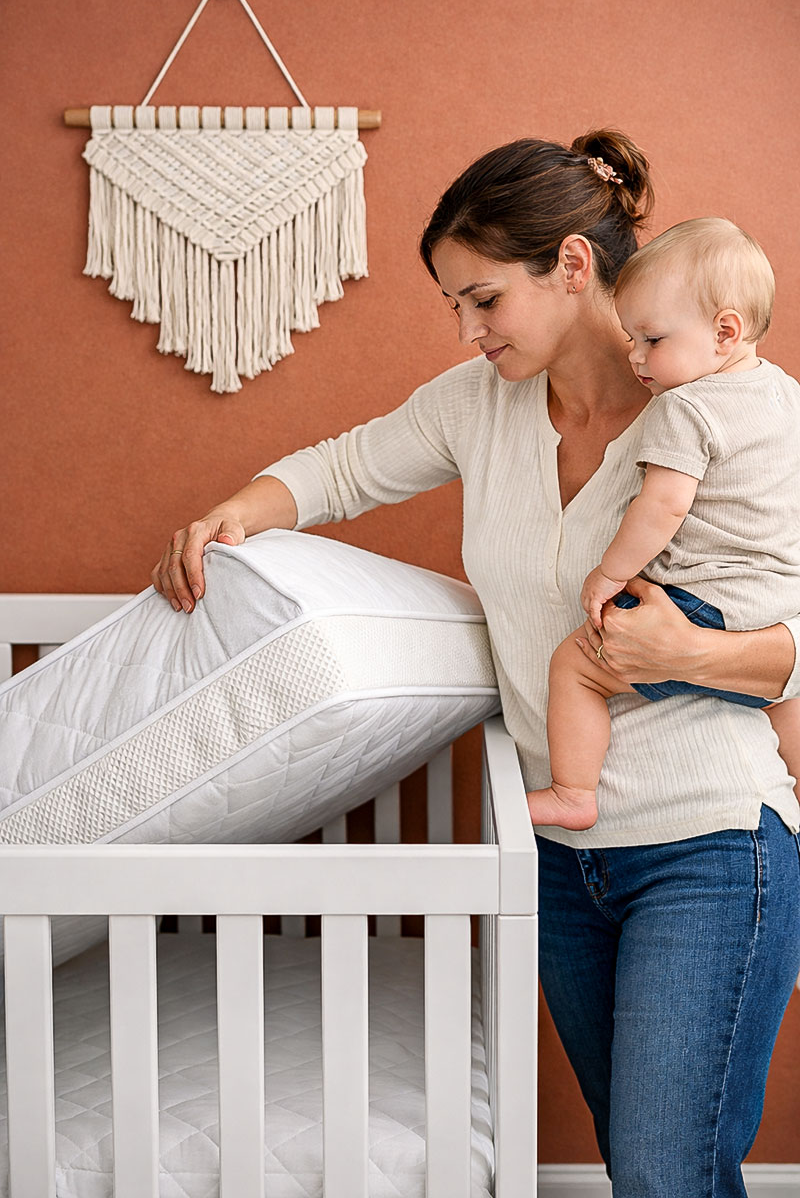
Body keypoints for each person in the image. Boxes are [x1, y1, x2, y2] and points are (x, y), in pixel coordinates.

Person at [153, 131, 800, 1198]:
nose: (466, 332)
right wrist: (231, 514)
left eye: (483, 299)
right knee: (647, 1167)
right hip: (558, 856)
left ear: (573, 268)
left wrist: (692, 651)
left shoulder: (733, 409)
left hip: (710, 842)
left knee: (660, 1173)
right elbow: (342, 468)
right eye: (453, 305)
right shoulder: (477, 411)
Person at [527, 217, 800, 831]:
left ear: (724, 332)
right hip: (775, 606)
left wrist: (608, 572)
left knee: (573, 666)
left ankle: (573, 792)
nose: (635, 357)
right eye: (631, 338)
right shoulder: (785, 394)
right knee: (784, 699)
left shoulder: (685, 407)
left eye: (651, 340)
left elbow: (663, 506)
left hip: (702, 601)